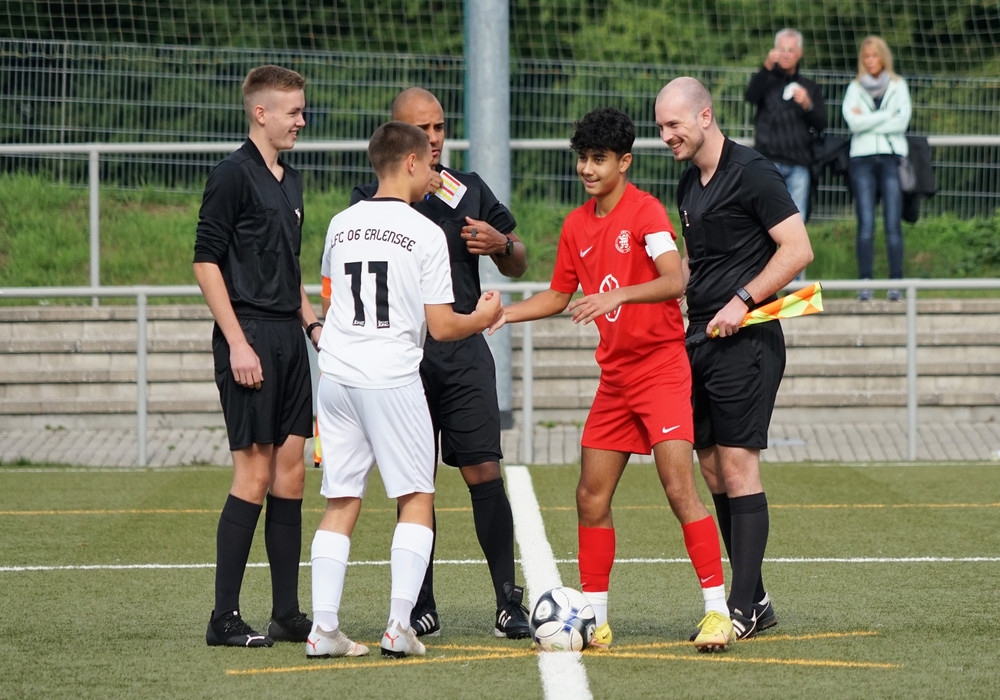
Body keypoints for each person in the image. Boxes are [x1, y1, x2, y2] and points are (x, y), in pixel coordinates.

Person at [488, 106, 735, 653]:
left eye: (598, 159)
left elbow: (674, 280)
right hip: (616, 381)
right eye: (582, 158)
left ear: (624, 162)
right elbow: (558, 295)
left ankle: (718, 612)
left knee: (679, 489)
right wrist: (504, 314)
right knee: (589, 497)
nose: (587, 168)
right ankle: (594, 621)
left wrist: (618, 294)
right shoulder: (576, 225)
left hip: (662, 370)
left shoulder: (647, 212)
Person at [306, 121, 503, 659]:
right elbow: (442, 326)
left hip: (337, 377)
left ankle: (323, 629)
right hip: (391, 375)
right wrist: (484, 314)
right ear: (412, 162)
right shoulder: (424, 232)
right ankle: (399, 625)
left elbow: (331, 302)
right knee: (416, 494)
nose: (435, 173)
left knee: (341, 500)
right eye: (429, 164)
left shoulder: (341, 223)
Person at [350, 87, 531, 640]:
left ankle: (508, 601)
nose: (433, 138)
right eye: (421, 129)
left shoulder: (466, 187)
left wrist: (501, 244)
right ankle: (419, 603)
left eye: (440, 127)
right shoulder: (371, 199)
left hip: (463, 353)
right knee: (415, 483)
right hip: (404, 359)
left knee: (484, 472)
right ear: (396, 136)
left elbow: (520, 261)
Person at [654, 78, 813, 640]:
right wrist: (666, 294)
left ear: (705, 116)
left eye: (674, 125)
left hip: (747, 340)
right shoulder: (687, 183)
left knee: (739, 467)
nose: (667, 136)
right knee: (713, 470)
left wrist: (743, 300)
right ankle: (758, 598)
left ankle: (739, 607)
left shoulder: (754, 171)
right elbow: (697, 264)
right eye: (661, 127)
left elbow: (798, 250)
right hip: (699, 340)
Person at [193, 64, 318, 647]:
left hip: (291, 339)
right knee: (255, 472)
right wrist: (238, 342)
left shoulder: (291, 180)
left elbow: (291, 266)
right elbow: (205, 262)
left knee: (291, 473)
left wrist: (312, 324)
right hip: (249, 335)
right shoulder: (231, 175)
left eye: (302, 110)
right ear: (261, 113)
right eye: (293, 111)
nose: (301, 120)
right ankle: (223, 617)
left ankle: (286, 614)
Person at [842, 35, 912, 302]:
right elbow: (853, 123)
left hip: (891, 158)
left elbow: (902, 122)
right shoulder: (854, 87)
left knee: (893, 223)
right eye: (866, 56)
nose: (870, 60)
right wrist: (886, 115)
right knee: (866, 223)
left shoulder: (898, 85)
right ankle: (865, 283)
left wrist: (868, 119)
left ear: (883, 57)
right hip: (862, 160)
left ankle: (895, 283)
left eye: (874, 55)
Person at [744, 28, 826, 223]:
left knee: (796, 221)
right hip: (768, 161)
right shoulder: (765, 81)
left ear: (799, 53)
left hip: (799, 164)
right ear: (774, 51)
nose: (786, 54)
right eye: (782, 49)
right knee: (764, 218)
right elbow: (750, 97)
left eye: (791, 50)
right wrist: (766, 67)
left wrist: (808, 105)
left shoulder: (809, 87)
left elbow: (822, 124)